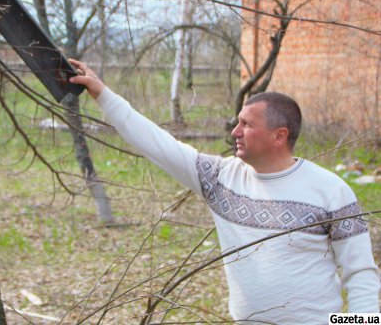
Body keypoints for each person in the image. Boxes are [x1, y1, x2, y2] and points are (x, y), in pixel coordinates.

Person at [68, 59, 380, 324]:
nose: (235, 132)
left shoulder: (330, 190)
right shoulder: (220, 178)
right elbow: (156, 143)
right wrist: (103, 94)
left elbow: (361, 274)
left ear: (279, 136)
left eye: (246, 124)